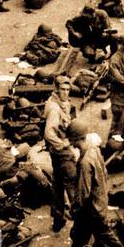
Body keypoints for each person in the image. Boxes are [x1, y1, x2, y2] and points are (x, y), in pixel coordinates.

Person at [52, 124, 124, 247]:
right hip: (98, 203)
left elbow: (83, 191)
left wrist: (74, 209)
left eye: (73, 141)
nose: (73, 145)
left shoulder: (85, 161)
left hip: (91, 210)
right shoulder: (94, 150)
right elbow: (105, 174)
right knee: (79, 238)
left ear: (76, 139)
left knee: (107, 239)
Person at [43, 74, 76, 232]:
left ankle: (58, 219)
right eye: (62, 89)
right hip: (62, 153)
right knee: (72, 184)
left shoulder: (61, 103)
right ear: (56, 89)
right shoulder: (55, 109)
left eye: (68, 89)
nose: (66, 92)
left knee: (57, 183)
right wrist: (63, 145)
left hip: (55, 153)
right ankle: (79, 219)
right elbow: (49, 134)